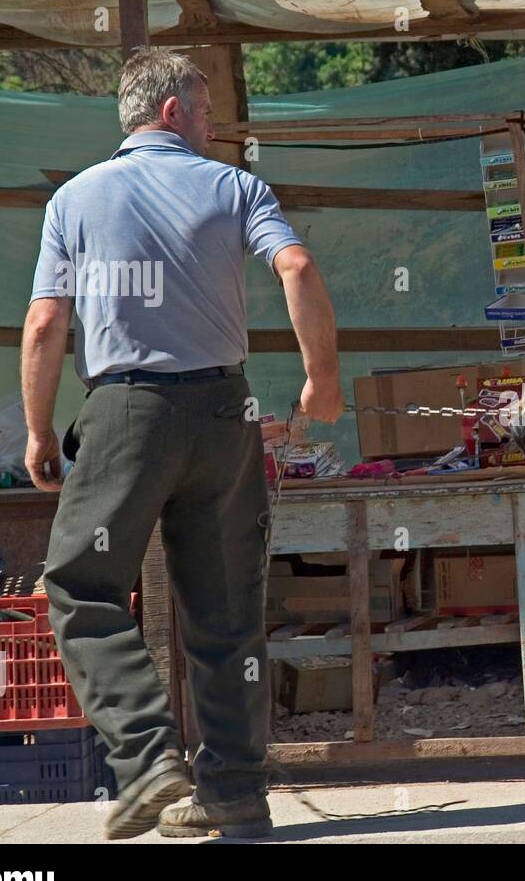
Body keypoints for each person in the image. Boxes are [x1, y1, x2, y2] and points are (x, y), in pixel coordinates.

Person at [20, 47, 343, 839]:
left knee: (82, 585)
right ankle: (234, 793)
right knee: (227, 611)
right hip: (226, 413)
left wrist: (38, 430)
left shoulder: (74, 198)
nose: (210, 127)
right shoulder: (236, 188)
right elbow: (298, 267)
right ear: (171, 111)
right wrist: (321, 381)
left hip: (126, 413)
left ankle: (146, 757)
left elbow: (46, 322)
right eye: (204, 111)